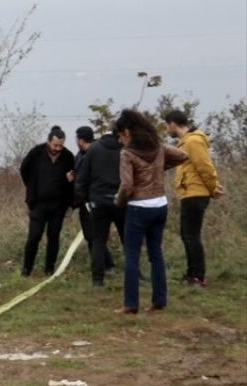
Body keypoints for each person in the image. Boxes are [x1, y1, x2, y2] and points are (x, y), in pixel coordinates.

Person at [114, 109, 188, 314]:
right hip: (160, 205)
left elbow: (127, 186)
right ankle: (159, 300)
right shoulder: (158, 147)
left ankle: (131, 304)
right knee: (156, 253)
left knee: (132, 255)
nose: (120, 140)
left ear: (127, 132)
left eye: (120, 135)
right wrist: (158, 168)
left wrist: (119, 201)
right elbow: (183, 155)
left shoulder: (127, 154)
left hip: (138, 207)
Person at [163, 110, 225, 287]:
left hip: (195, 193)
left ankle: (198, 276)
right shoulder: (185, 142)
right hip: (189, 192)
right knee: (187, 234)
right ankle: (192, 273)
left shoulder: (193, 141)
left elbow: (205, 166)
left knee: (191, 235)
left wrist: (213, 188)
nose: (167, 129)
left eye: (167, 125)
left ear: (173, 124)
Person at [74, 122, 126, 287]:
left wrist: (84, 200)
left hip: (98, 202)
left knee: (98, 241)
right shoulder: (124, 150)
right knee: (128, 240)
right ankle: (134, 274)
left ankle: (97, 280)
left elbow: (82, 178)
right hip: (120, 201)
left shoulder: (94, 150)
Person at [19, 126, 75, 276]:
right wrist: (31, 187)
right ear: (48, 142)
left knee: (54, 236)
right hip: (38, 204)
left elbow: (73, 179)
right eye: (55, 145)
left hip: (58, 205)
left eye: (60, 145)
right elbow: (24, 169)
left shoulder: (68, 157)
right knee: (34, 236)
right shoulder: (36, 153)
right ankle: (26, 269)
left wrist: (71, 182)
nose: (57, 148)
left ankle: (49, 269)